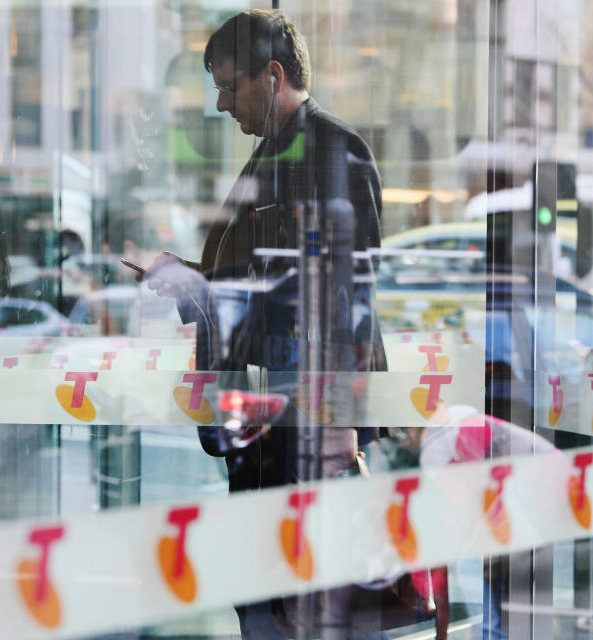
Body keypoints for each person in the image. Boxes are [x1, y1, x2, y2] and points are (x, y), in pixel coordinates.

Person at [143, 9, 415, 639]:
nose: (218, 103)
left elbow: (347, 295)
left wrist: (339, 423)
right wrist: (185, 278)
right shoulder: (272, 154)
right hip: (266, 426)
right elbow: (255, 288)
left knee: (310, 606)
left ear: (272, 75)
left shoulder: (331, 149)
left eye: (228, 84)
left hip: (306, 427)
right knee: (269, 604)